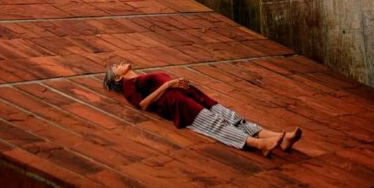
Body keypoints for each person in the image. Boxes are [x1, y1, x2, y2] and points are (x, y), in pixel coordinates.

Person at [103, 60, 302, 157]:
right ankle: (260, 145)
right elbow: (142, 105)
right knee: (217, 125)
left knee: (231, 116)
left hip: (191, 95)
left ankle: (281, 138)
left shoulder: (138, 78)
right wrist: (168, 86)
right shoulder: (129, 87)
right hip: (180, 105)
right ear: (118, 77)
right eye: (116, 67)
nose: (120, 63)